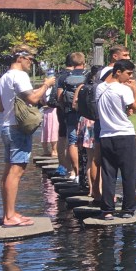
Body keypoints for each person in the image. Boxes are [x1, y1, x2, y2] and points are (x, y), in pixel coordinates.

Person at [0, 47, 55, 227]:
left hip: (7, 126)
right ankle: (9, 216)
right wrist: (46, 85)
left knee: (9, 171)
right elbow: (33, 99)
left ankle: (9, 212)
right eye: (30, 59)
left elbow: (0, 107)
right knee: (16, 172)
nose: (31, 63)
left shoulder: (3, 78)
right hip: (18, 129)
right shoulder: (19, 76)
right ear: (20, 58)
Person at [94, 59, 136, 219]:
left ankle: (107, 209)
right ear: (118, 72)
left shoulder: (99, 88)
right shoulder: (123, 89)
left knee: (108, 174)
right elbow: (135, 108)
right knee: (129, 174)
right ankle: (128, 209)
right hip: (124, 134)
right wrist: (135, 91)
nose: (130, 78)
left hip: (106, 135)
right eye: (128, 74)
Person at [55, 51, 87, 180]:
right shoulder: (89, 75)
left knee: (72, 142)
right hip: (86, 114)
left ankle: (74, 173)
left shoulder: (63, 77)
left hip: (70, 113)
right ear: (84, 62)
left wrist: (65, 109)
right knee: (87, 142)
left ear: (71, 63)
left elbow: (59, 97)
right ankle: (86, 171)